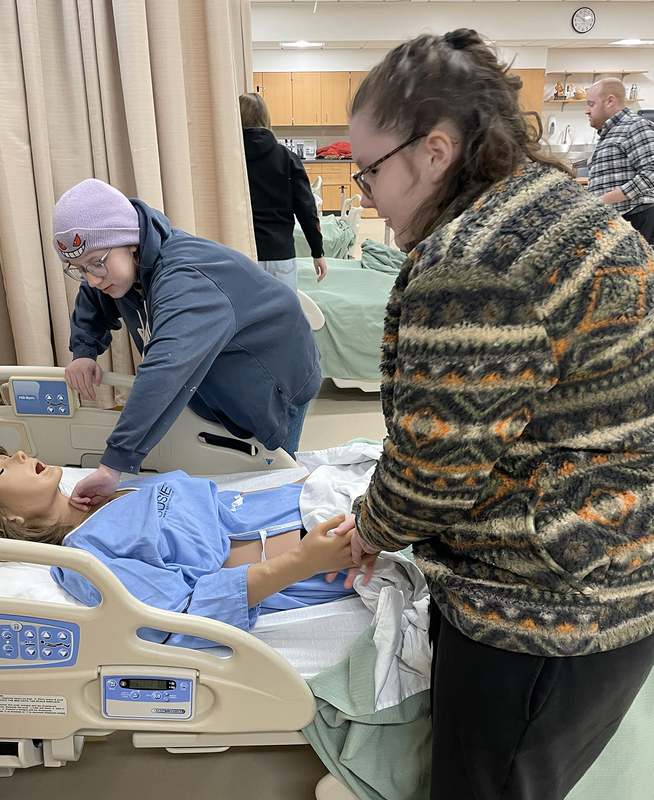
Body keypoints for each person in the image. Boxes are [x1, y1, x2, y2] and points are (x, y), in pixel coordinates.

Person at [332, 28, 654, 800]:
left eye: (370, 171)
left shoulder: (475, 260)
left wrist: (370, 526)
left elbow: (432, 469)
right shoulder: (556, 207)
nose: (363, 193)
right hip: (613, 565)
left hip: (542, 609)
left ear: (434, 152)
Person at [53, 178, 322, 511]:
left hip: (276, 375)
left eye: (97, 262)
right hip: (219, 376)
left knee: (271, 483)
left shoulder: (186, 278)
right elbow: (91, 299)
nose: (93, 279)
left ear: (130, 242)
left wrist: (113, 464)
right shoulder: (120, 269)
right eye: (80, 269)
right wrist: (84, 351)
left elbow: (165, 371)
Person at [0, 446, 365, 648]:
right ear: (7, 521)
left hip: (309, 499)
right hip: (319, 553)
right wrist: (304, 561)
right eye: (2, 470)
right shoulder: (83, 560)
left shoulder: (110, 494)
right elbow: (184, 614)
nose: (20, 455)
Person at [239, 92, 327, 291]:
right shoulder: (286, 158)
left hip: (241, 252)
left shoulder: (229, 159)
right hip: (280, 253)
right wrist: (317, 252)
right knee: (283, 310)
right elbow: (306, 208)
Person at [585, 78, 654, 243]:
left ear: (610, 101)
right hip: (621, 219)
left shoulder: (635, 126)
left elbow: (651, 172)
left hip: (636, 217)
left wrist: (603, 200)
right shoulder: (611, 133)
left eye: (591, 104)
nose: (587, 111)